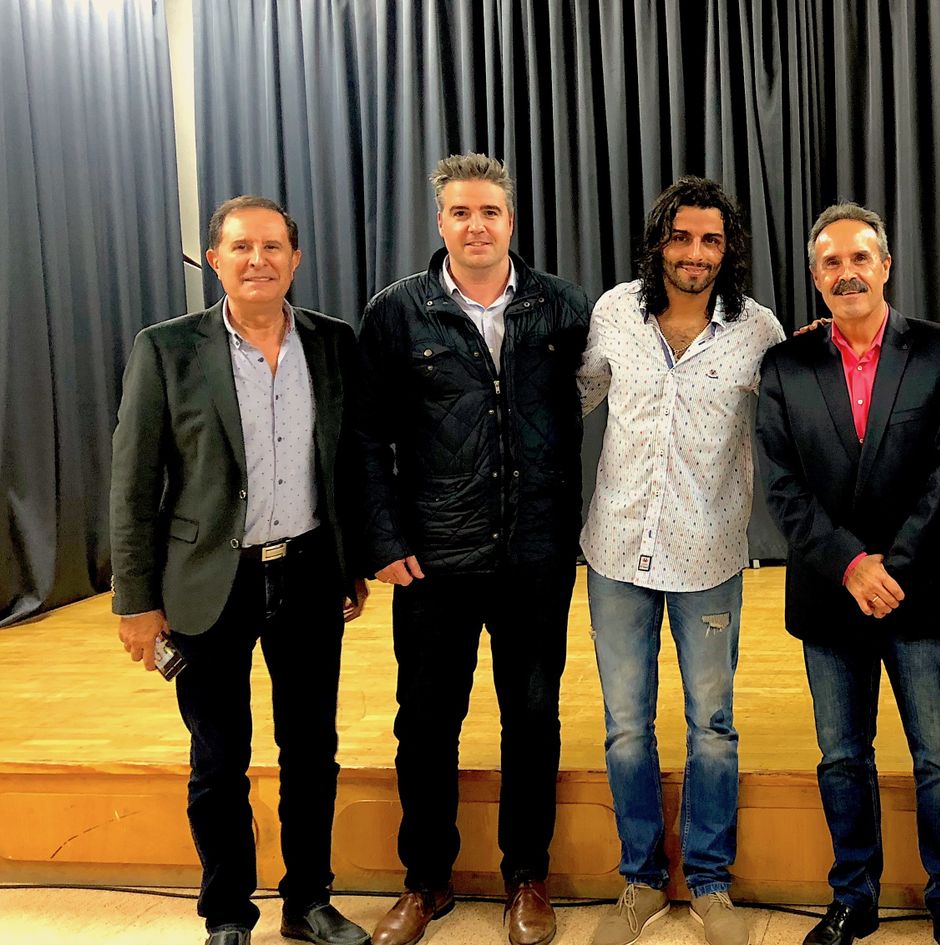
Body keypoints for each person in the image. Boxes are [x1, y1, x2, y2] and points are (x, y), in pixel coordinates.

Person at [110, 196, 371, 945]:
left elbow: (349, 462)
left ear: (295, 258)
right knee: (219, 761)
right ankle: (227, 911)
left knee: (311, 750)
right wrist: (135, 601)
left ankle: (309, 901)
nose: (258, 259)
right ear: (215, 260)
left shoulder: (333, 342)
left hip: (310, 575)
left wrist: (349, 561)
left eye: (273, 246)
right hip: (204, 582)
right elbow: (132, 485)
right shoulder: (166, 349)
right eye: (241, 247)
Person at [355, 154, 592, 945]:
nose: (476, 225)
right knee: (426, 723)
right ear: (441, 222)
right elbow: (365, 438)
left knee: (532, 717)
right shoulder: (396, 313)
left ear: (511, 221)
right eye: (461, 212)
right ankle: (425, 882)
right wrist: (382, 540)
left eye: (490, 211)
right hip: (434, 561)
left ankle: (527, 876)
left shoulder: (562, 306)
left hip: (536, 556)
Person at [756, 203, 940, 945]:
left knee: (939, 757)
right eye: (831, 262)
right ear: (815, 276)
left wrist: (894, 566)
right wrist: (850, 562)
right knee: (842, 757)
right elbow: (783, 483)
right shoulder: (786, 364)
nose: (847, 272)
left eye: (861, 258)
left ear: (886, 265)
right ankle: (852, 895)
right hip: (829, 591)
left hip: (920, 590)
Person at [576, 176, 785, 945]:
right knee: (627, 726)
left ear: (728, 249)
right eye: (682, 236)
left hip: (710, 556)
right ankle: (637, 878)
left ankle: (710, 882)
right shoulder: (612, 314)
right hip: (616, 552)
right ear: (659, 240)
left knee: (712, 725)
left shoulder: (758, 330)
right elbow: (575, 397)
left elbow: (798, 422)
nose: (695, 253)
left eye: (711, 239)